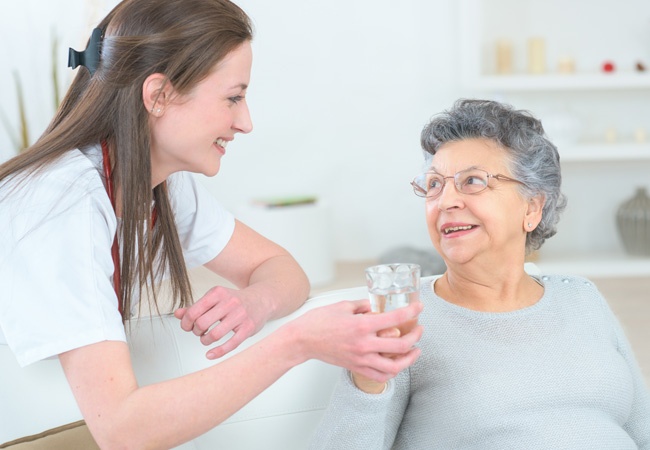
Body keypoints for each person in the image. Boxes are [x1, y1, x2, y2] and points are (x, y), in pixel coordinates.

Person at [0, 0, 424, 448]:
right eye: (233, 97)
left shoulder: (158, 182)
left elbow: (281, 268)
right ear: (158, 95)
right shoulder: (61, 203)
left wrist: (256, 302)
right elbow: (122, 431)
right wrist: (297, 343)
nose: (245, 122)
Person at [310, 99, 650, 449]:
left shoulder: (581, 296)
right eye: (434, 185)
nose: (445, 201)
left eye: (472, 181)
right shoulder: (403, 320)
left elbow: (642, 428)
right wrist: (367, 381)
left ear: (532, 206)